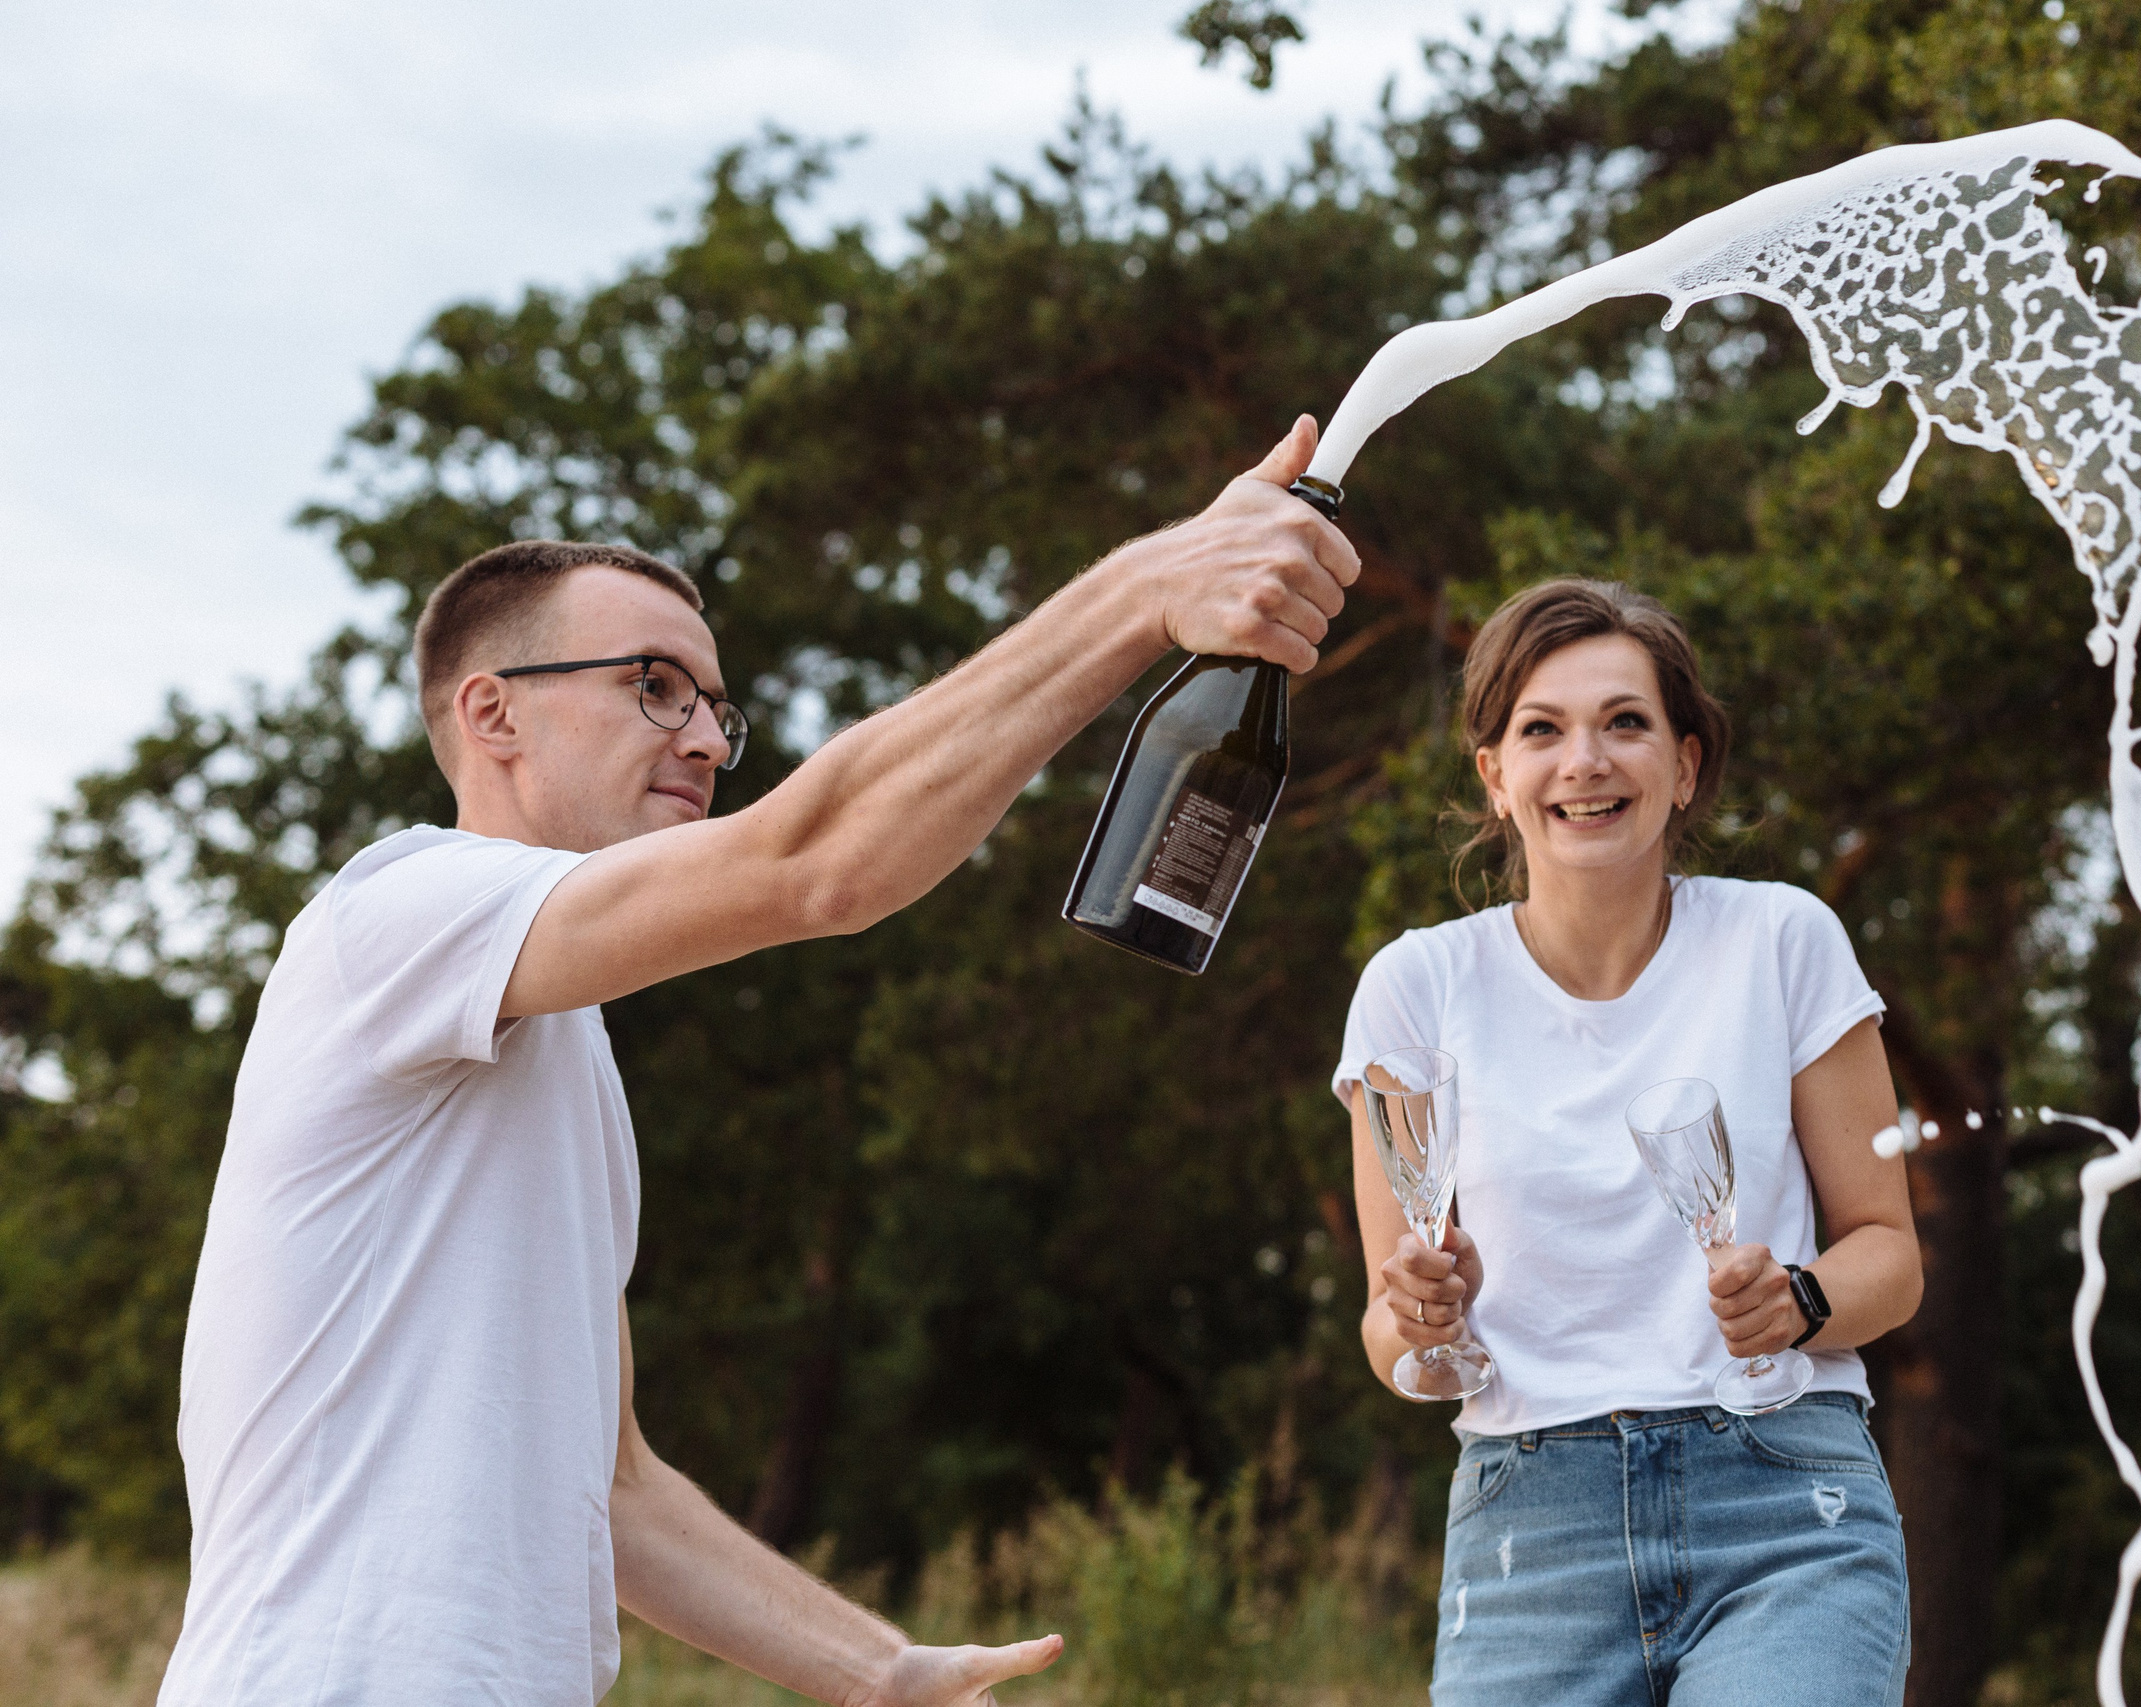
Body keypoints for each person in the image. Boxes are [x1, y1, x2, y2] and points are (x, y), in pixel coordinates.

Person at [158, 420, 1359, 1707]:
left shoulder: (555, 1053)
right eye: (653, 686)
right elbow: (816, 861)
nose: (703, 740)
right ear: (492, 711)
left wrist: (881, 1671)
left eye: (715, 710)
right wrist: (1144, 594)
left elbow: (610, 1490)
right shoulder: (396, 913)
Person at [1334, 577, 1923, 1707]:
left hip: (1784, 1507)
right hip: (1529, 1531)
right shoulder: (1415, 987)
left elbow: (1887, 1255)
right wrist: (1416, 1313)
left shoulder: (1781, 940)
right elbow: (1387, 1331)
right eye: (1541, 730)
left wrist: (1798, 1299)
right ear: (1494, 777)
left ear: (1684, 766)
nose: (1585, 760)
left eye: (1625, 724)